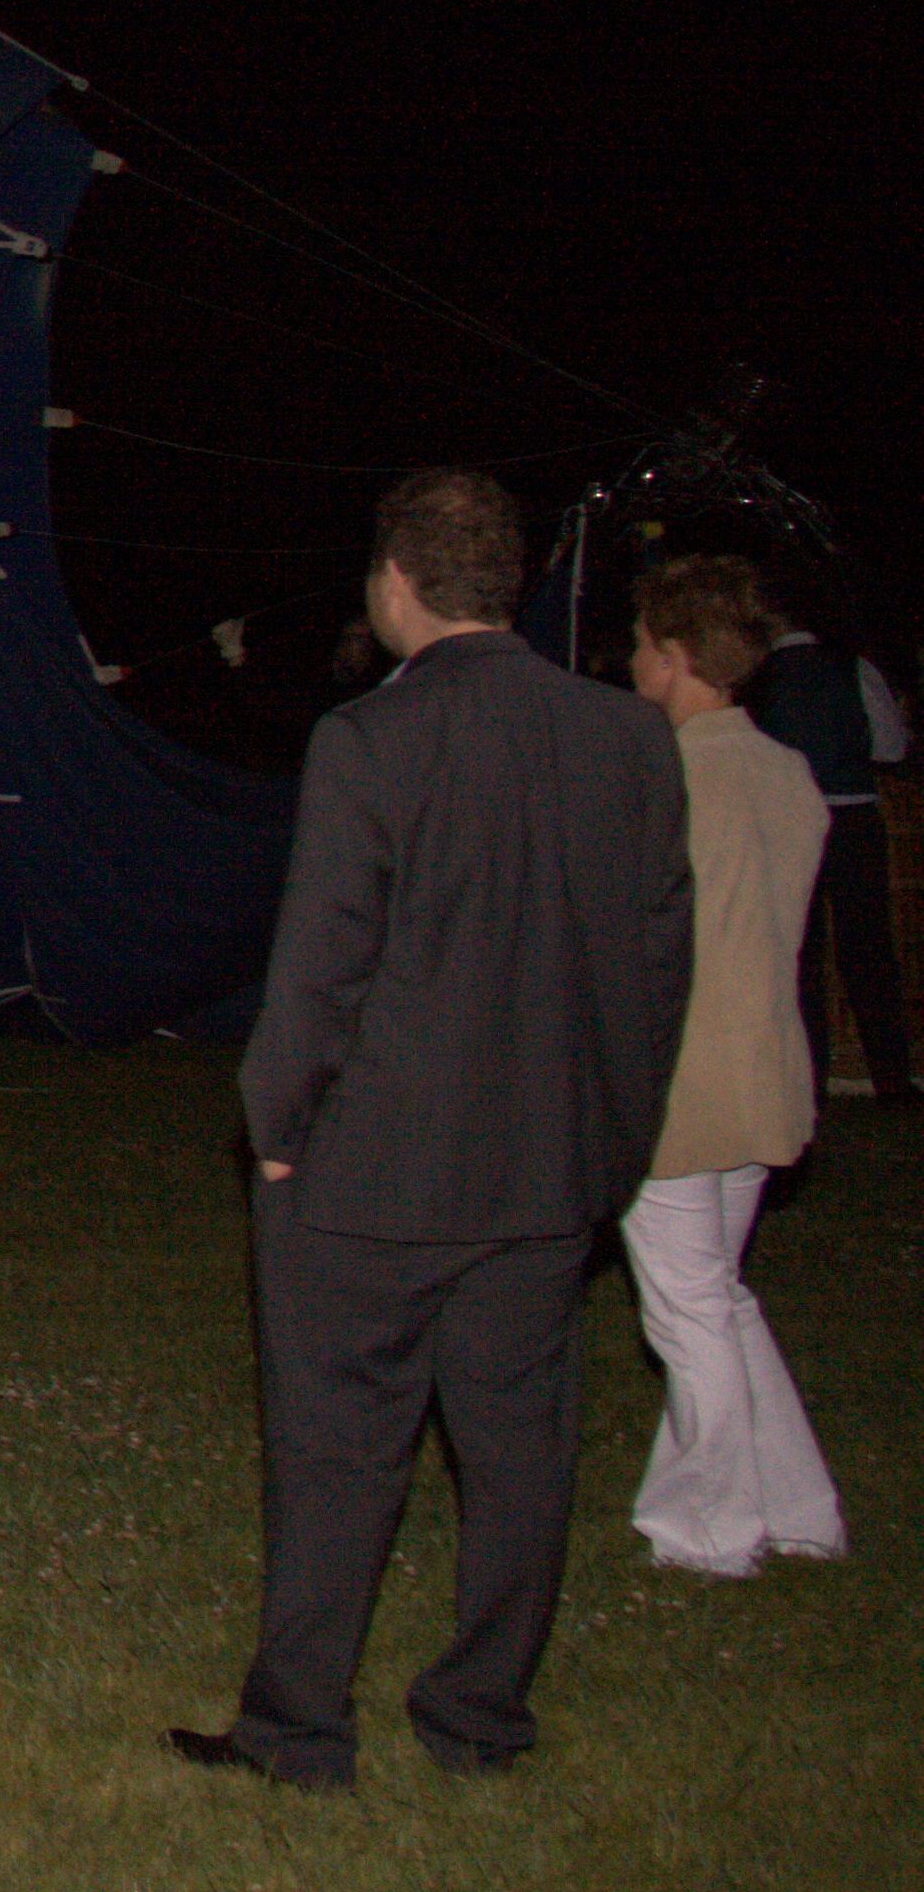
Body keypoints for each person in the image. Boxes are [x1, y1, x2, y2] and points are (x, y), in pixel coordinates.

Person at [168, 466, 690, 1790]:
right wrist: (615, 1134)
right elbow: (656, 961)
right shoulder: (626, 735)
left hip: (373, 1175)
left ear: (396, 583)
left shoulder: (371, 739)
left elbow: (320, 962)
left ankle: (299, 1730)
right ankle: (478, 1715)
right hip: (544, 1169)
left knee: (337, 1447)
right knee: (518, 1452)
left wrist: (273, 1123)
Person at [616, 554, 842, 1573]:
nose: (630, 664)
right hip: (766, 1071)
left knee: (688, 1305)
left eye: (638, 645)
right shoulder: (785, 770)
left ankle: (712, 1529)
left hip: (685, 1077)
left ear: (673, 655)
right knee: (718, 1296)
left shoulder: (671, 777)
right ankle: (798, 1508)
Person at [747, 608, 908, 1101]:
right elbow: (891, 747)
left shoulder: (758, 678)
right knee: (869, 950)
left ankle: (808, 1080)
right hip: (852, 820)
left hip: (787, 822)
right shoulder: (854, 669)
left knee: (799, 957)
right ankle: (892, 1077)